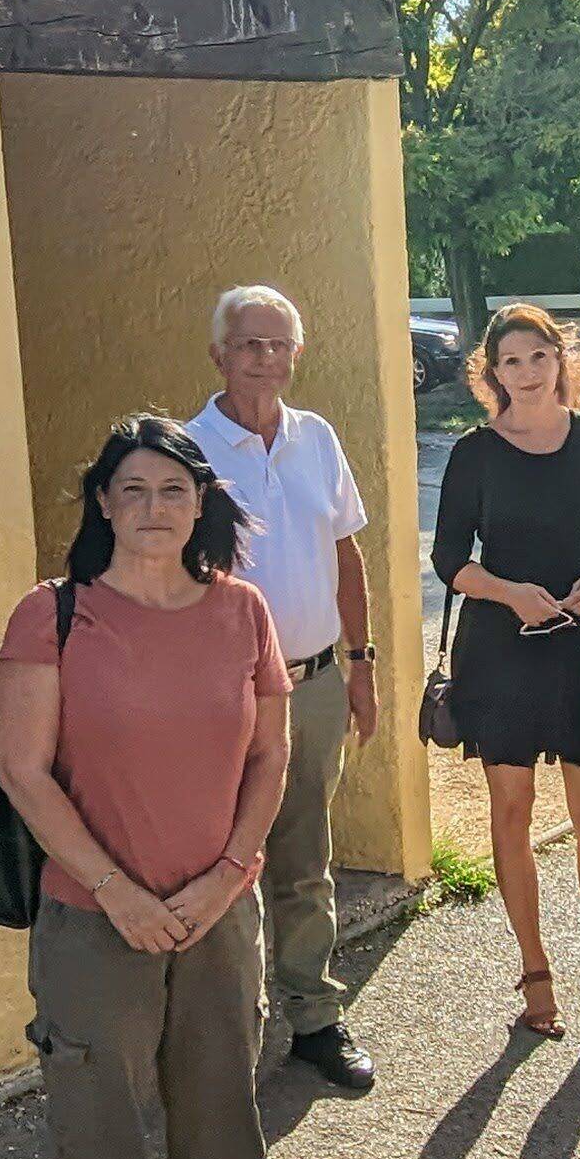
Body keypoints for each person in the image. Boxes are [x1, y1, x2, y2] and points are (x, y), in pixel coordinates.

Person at [0, 416, 299, 1159]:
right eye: (133, 490)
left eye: (173, 490)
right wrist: (119, 893)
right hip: (94, 915)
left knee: (221, 1088)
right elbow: (23, 772)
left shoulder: (244, 612)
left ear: (201, 502)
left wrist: (229, 875)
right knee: (99, 1111)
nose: (153, 508)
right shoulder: (55, 616)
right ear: (103, 504)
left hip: (218, 910)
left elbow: (271, 758)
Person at [191, 286, 383, 1095]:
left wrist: (361, 664)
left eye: (277, 345)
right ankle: (221, 1034)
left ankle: (312, 1017)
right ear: (219, 355)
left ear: (296, 355)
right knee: (219, 862)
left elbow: (345, 556)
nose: (263, 358)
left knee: (305, 860)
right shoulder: (186, 451)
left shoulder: (317, 439)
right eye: (247, 345)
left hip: (313, 683)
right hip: (220, 697)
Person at [430, 304, 580, 1036]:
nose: (526, 371)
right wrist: (507, 590)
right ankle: (535, 976)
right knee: (512, 815)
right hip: (501, 648)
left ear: (560, 359)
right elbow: (448, 558)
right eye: (510, 361)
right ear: (493, 373)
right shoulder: (475, 453)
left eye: (537, 356)